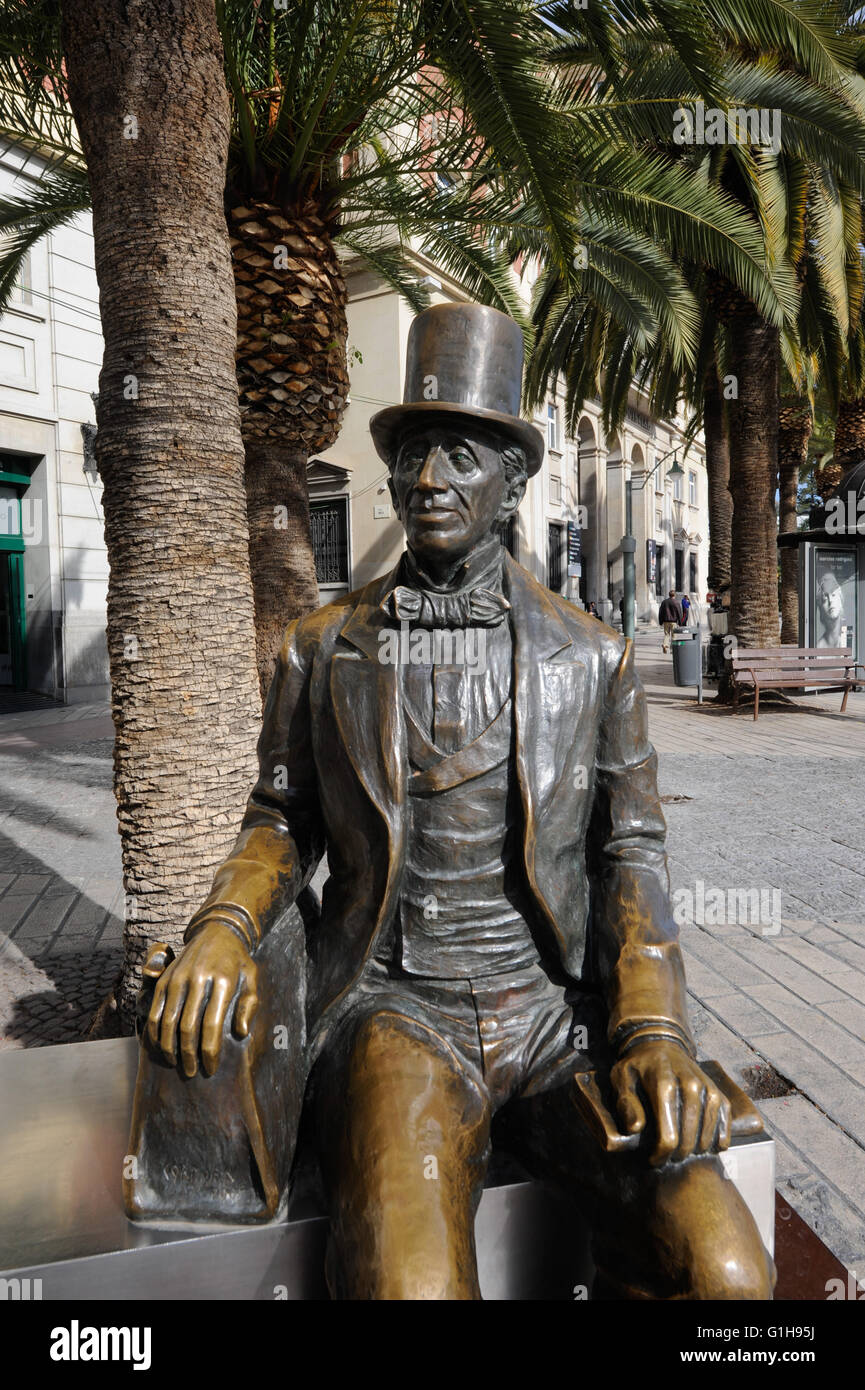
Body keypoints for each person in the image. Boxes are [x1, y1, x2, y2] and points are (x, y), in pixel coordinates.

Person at [144, 304, 772, 1301]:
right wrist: (222, 928)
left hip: (555, 1022)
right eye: (414, 455)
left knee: (727, 1273)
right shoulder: (320, 645)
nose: (429, 480)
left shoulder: (592, 656)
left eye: (461, 456)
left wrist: (653, 1034)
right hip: (396, 1013)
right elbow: (278, 818)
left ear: (514, 482)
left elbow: (632, 859)